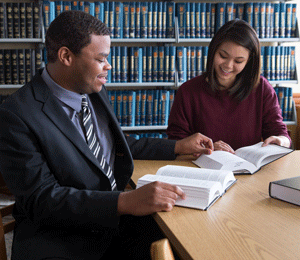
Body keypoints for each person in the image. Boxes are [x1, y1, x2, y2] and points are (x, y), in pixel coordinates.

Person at [0, 11, 213, 260]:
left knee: (190, 239)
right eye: (101, 59)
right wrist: (125, 202)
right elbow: (42, 200)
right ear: (66, 56)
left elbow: (114, 146)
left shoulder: (93, 88)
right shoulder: (16, 114)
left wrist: (177, 147)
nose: (108, 66)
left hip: (113, 224)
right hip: (60, 239)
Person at [167, 19, 291, 153]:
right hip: (201, 170)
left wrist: (281, 141)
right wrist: (207, 149)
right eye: (223, 56)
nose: (228, 65)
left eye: (238, 61)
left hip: (248, 171)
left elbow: (281, 135)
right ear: (213, 51)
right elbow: (175, 144)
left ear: (248, 61)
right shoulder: (188, 91)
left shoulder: (262, 89)